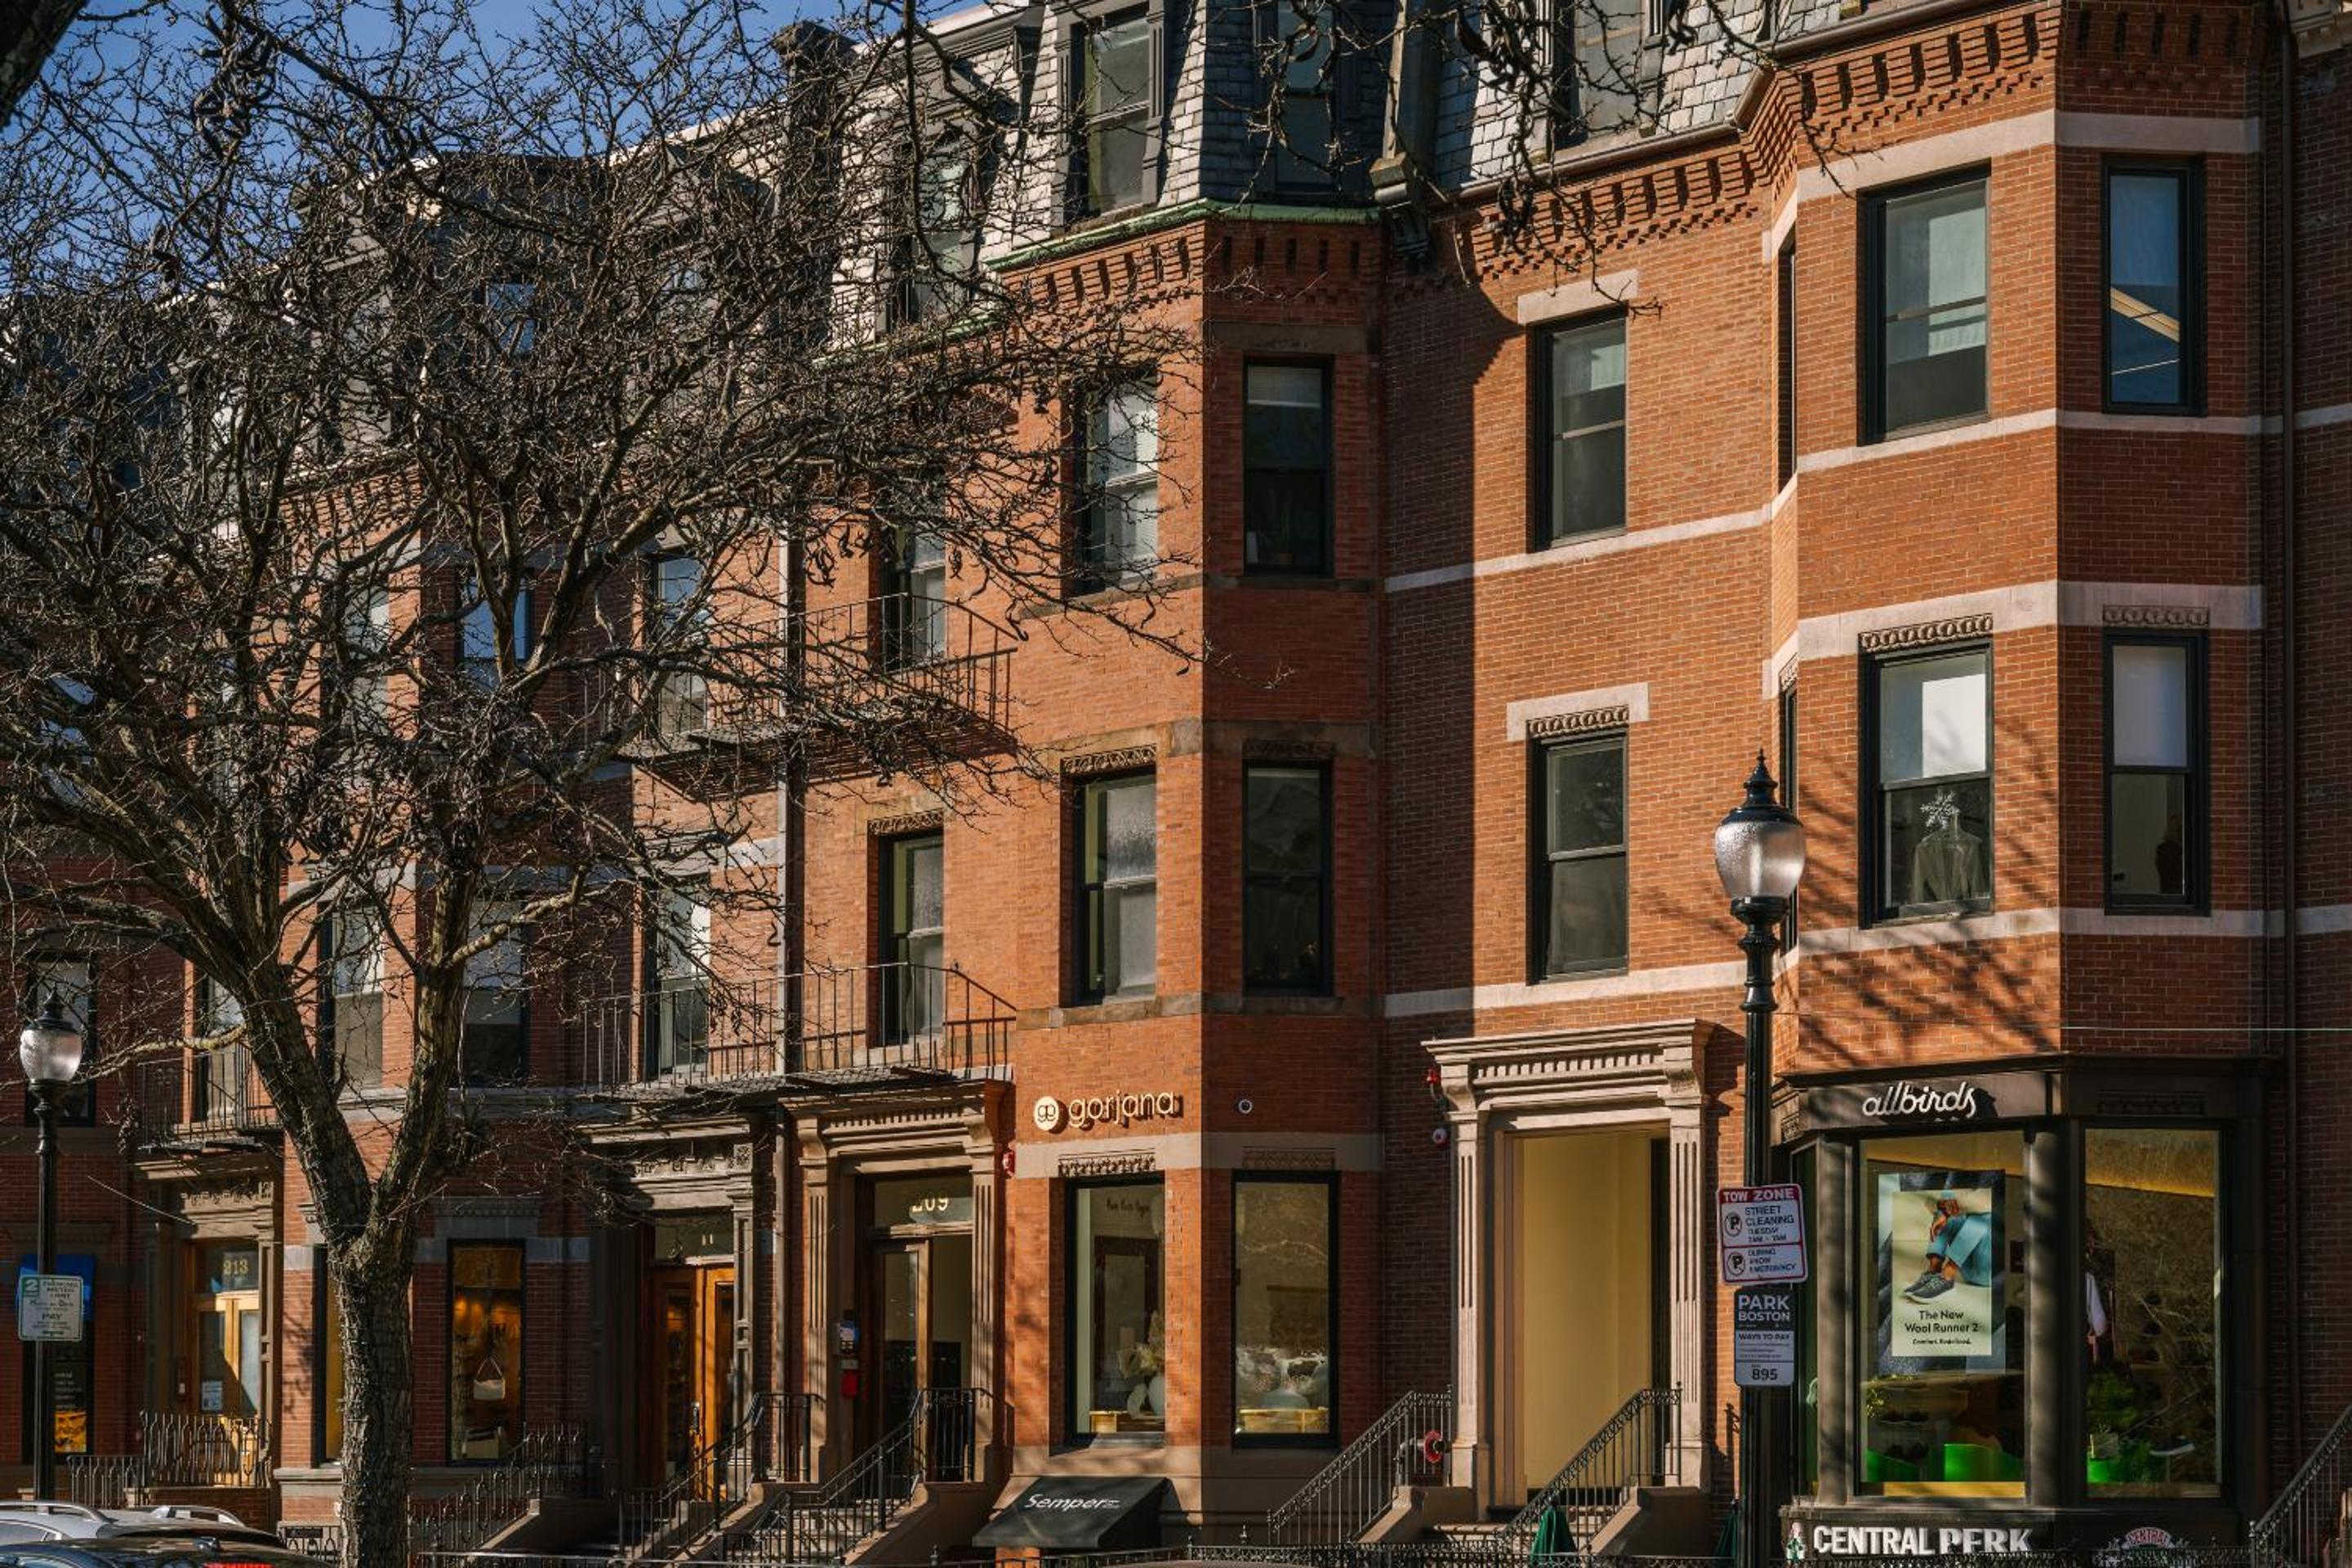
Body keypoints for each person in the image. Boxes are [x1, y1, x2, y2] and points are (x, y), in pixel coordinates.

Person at [1903, 1196, 1993, 1301]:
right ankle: (1934, 1271)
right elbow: (1930, 1200)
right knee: (1945, 1213)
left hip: (1988, 1273)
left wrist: (1949, 1206)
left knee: (1983, 1217)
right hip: (1966, 1268)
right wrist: (1943, 1210)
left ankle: (1947, 1277)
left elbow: (1985, 1203)